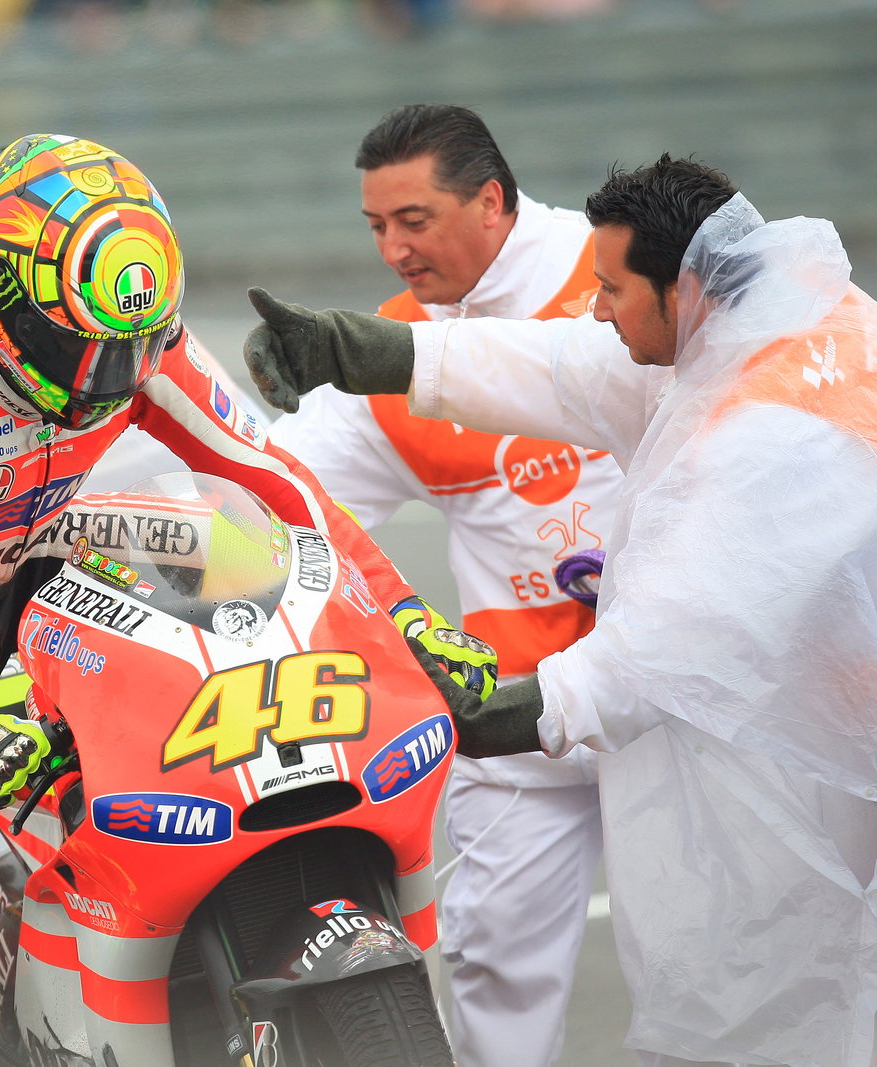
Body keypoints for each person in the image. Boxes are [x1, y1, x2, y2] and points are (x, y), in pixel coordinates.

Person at [0, 132, 497, 1066]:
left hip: (45, 551)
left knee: (231, 555)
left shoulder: (128, 337)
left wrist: (409, 615)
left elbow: (273, 477)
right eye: (77, 347)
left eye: (132, 348)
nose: (104, 380)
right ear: (0, 299)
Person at [243, 154, 877, 1067]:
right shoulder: (756, 331)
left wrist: (505, 713)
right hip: (805, 725)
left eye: (614, 288)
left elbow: (672, 641)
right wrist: (377, 351)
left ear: (685, 285)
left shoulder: (767, 435)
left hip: (821, 750)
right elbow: (571, 366)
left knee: (782, 991)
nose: (598, 307)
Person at [266, 104, 613, 1067]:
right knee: (491, 962)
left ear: (491, 201)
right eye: (376, 227)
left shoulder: (622, 276)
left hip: (670, 705)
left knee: (712, 958)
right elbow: (280, 491)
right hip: (512, 718)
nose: (394, 250)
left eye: (413, 220)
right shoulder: (391, 344)